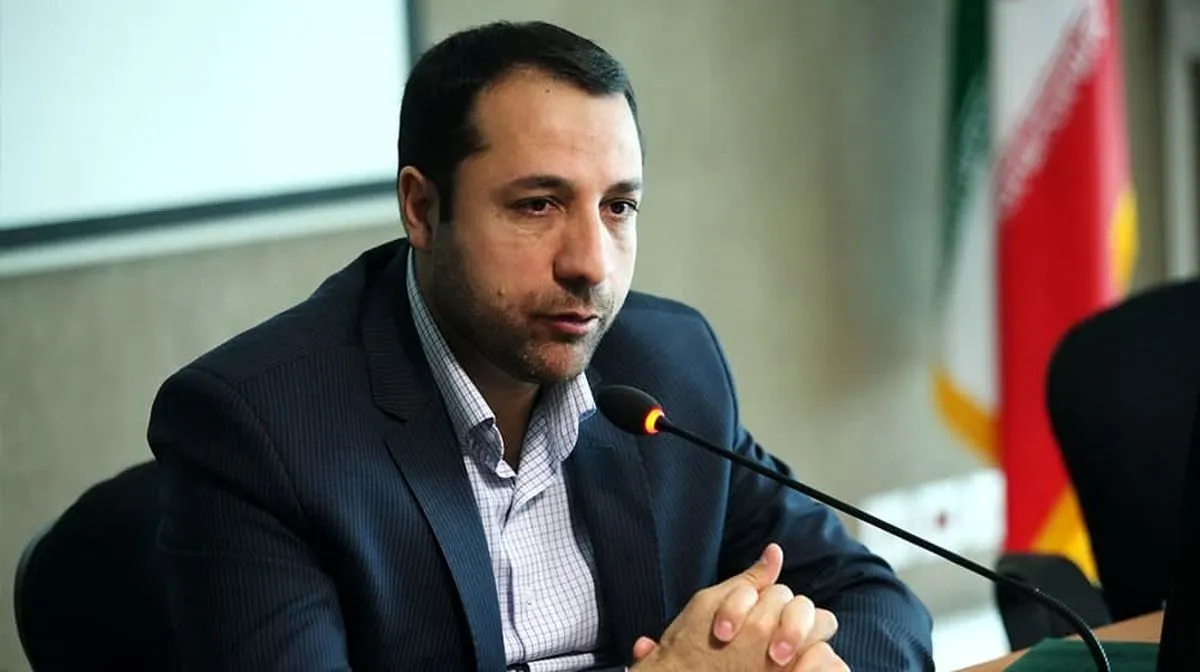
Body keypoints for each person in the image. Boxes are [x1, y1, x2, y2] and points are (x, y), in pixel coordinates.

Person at [147, 20, 934, 672]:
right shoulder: (261, 430)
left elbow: (876, 605)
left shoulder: (667, 365)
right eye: (537, 205)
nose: (591, 263)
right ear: (421, 208)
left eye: (618, 207)